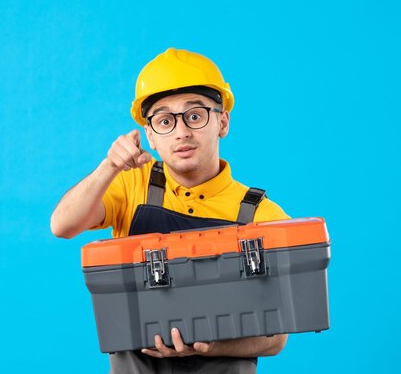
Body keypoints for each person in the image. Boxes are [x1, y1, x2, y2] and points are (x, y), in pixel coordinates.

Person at [51, 48, 289, 374]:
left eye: (194, 115)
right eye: (165, 121)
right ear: (150, 135)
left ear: (222, 121)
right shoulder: (130, 186)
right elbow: (62, 225)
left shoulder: (264, 216)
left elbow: (276, 339)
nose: (181, 132)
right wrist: (109, 166)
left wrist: (211, 345)